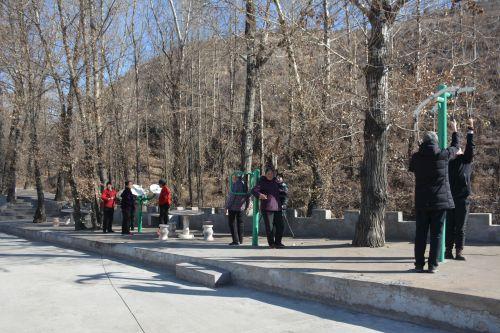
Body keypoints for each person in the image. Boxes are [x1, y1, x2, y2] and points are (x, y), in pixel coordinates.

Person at [409, 120, 460, 273]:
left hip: (422, 202)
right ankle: (432, 265)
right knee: (437, 235)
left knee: (420, 234)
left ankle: (419, 264)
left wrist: (418, 149)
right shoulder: (443, 155)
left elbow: (412, 167)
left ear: (423, 142)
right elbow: (456, 147)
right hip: (440, 202)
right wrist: (455, 129)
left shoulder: (417, 157)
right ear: (436, 141)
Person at [446, 118, 475, 261]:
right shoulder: (450, 161)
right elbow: (454, 145)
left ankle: (458, 251)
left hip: (462, 198)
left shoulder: (466, 160)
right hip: (450, 198)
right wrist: (455, 130)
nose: (459, 149)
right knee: (450, 225)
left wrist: (470, 128)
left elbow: (470, 146)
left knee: (460, 226)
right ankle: (447, 250)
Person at [252, 167, 286, 249]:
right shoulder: (262, 182)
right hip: (267, 208)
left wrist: (282, 187)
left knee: (280, 226)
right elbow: (254, 190)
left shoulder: (276, 182)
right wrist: (260, 195)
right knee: (269, 227)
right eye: (268, 173)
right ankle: (271, 244)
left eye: (272, 173)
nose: (270, 175)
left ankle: (278, 242)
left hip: (277, 207)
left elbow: (283, 191)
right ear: (266, 174)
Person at [225, 174, 250, 246]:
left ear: (236, 177)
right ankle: (240, 240)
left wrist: (227, 206)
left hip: (233, 207)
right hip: (241, 207)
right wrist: (247, 206)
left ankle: (236, 240)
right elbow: (247, 196)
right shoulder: (244, 184)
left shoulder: (235, 184)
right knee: (240, 223)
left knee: (232, 223)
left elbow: (232, 197)